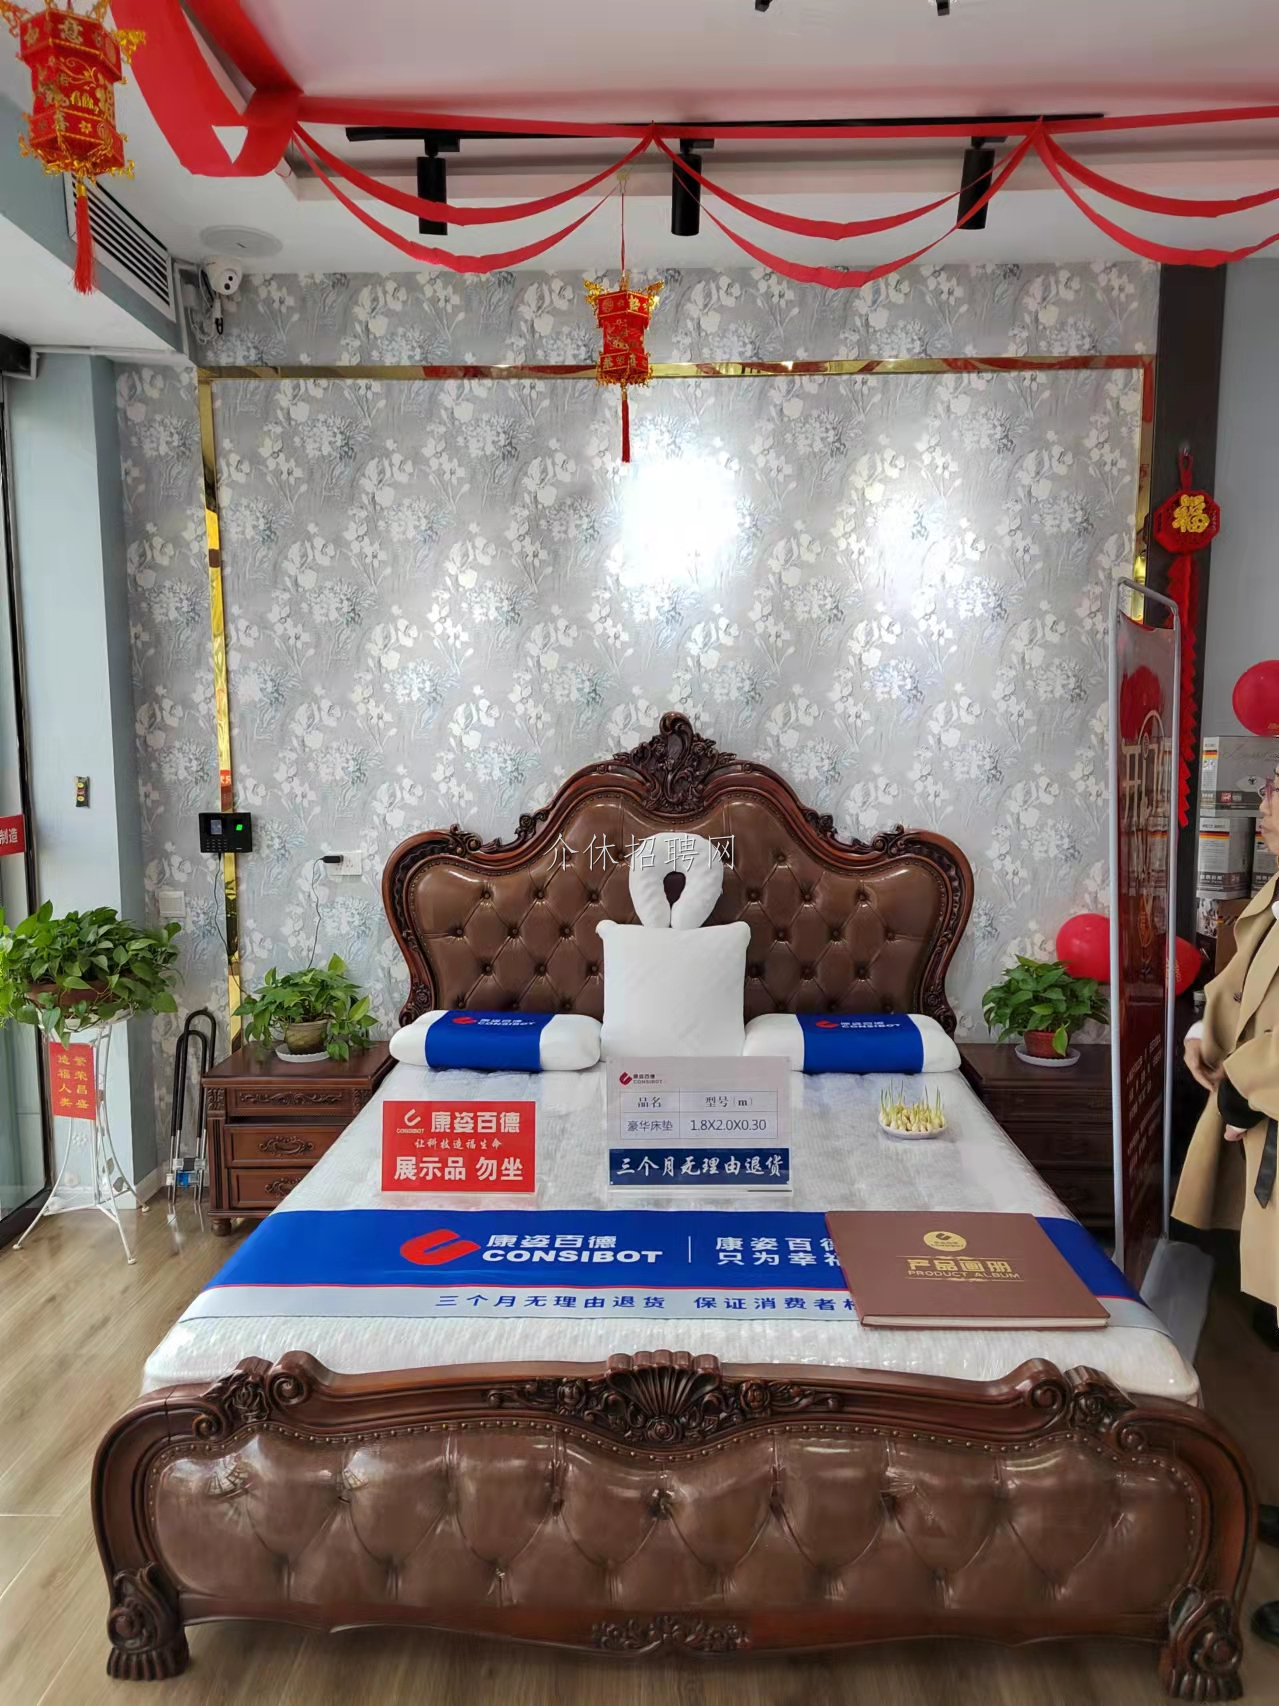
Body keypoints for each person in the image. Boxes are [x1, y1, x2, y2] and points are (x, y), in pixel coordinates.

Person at [1174, 760, 1279, 1646]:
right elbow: (1238, 985)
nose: (1263, 802)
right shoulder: (1274, 893)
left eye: (1276, 790)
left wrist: (1244, 1088)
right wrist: (1200, 1037)